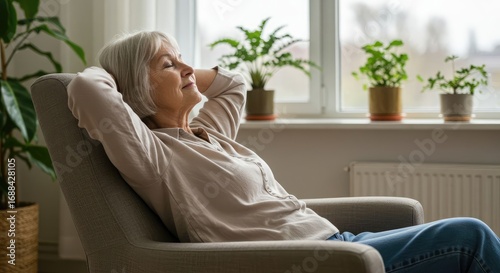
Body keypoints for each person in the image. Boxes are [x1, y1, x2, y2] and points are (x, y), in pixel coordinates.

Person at [67, 30, 500, 273]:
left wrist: (169, 65)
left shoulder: (207, 132)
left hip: (344, 242)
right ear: (135, 89)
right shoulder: (154, 156)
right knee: (471, 238)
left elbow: (234, 82)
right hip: (320, 260)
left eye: (184, 59)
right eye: (168, 64)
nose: (186, 68)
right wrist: (123, 74)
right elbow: (88, 88)